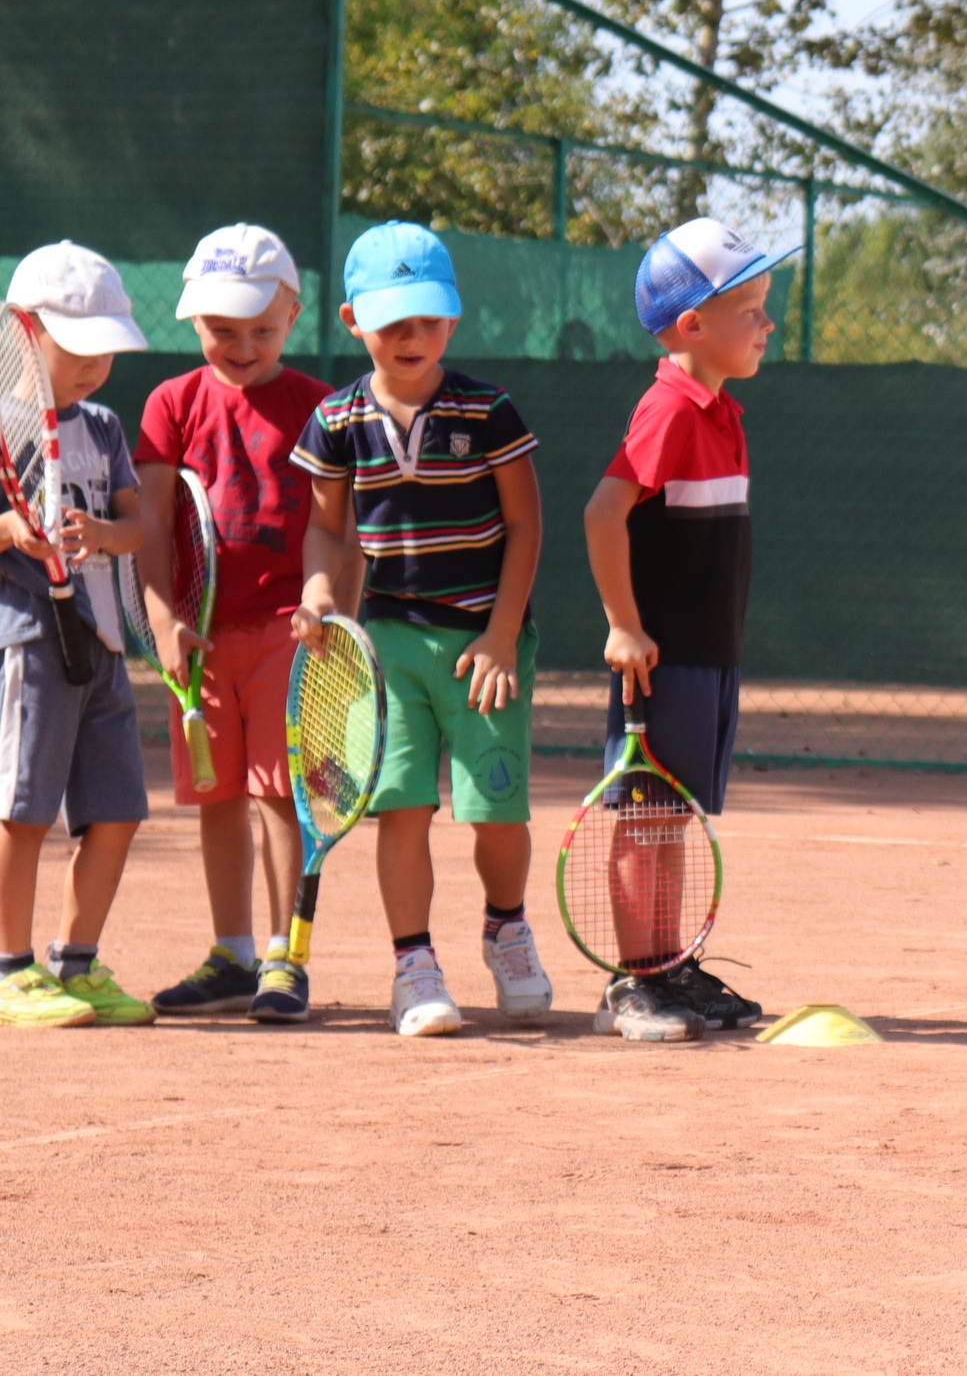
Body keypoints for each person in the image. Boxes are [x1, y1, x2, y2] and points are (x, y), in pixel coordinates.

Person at [289, 222, 552, 1037]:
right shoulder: (335, 420)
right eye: (392, 320)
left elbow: (526, 524)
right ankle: (414, 966)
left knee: (496, 811)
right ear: (351, 320)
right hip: (387, 644)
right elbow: (328, 529)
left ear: (453, 320)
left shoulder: (488, 409)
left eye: (427, 319)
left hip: (486, 643)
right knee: (400, 809)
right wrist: (318, 592)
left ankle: (506, 925)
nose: (411, 337)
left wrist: (502, 634)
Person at [580, 218, 787, 1042]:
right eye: (750, 307)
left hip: (709, 657)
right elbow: (603, 513)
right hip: (662, 660)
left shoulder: (722, 411)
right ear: (691, 325)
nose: (766, 323)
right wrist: (623, 626)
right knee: (648, 818)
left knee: (674, 819)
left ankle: (670, 968)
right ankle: (635, 986)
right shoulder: (668, 407)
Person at [142, 226, 335, 1023]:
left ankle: (289, 958)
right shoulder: (170, 404)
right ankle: (234, 952)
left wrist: (325, 603)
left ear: (293, 313)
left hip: (289, 633)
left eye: (262, 326)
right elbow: (152, 527)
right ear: (193, 322)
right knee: (218, 795)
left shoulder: (321, 405)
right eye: (224, 328)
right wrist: (163, 619)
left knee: (281, 795)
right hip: (199, 637)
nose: (242, 343)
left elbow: (337, 526)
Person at [0, 244, 156, 1027]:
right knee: (22, 809)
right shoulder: (2, 423)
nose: (96, 364)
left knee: (119, 808)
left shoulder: (102, 425)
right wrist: (14, 530)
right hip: (29, 637)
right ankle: (9, 969)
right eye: (78, 345)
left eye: (107, 347)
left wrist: (99, 528)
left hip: (100, 644)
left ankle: (78, 962)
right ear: (24, 332)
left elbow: (138, 525)